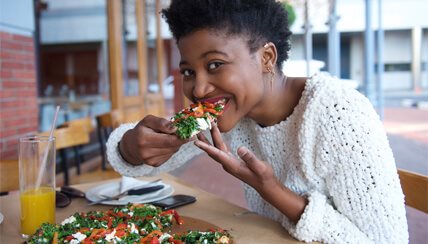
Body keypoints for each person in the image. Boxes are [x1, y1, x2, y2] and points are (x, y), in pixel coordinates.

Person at [106, 0, 408, 243]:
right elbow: (143, 161)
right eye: (188, 71)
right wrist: (132, 146)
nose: (198, 89)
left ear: (266, 57)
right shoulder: (228, 111)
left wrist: (273, 191)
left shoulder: (338, 113)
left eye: (215, 65)